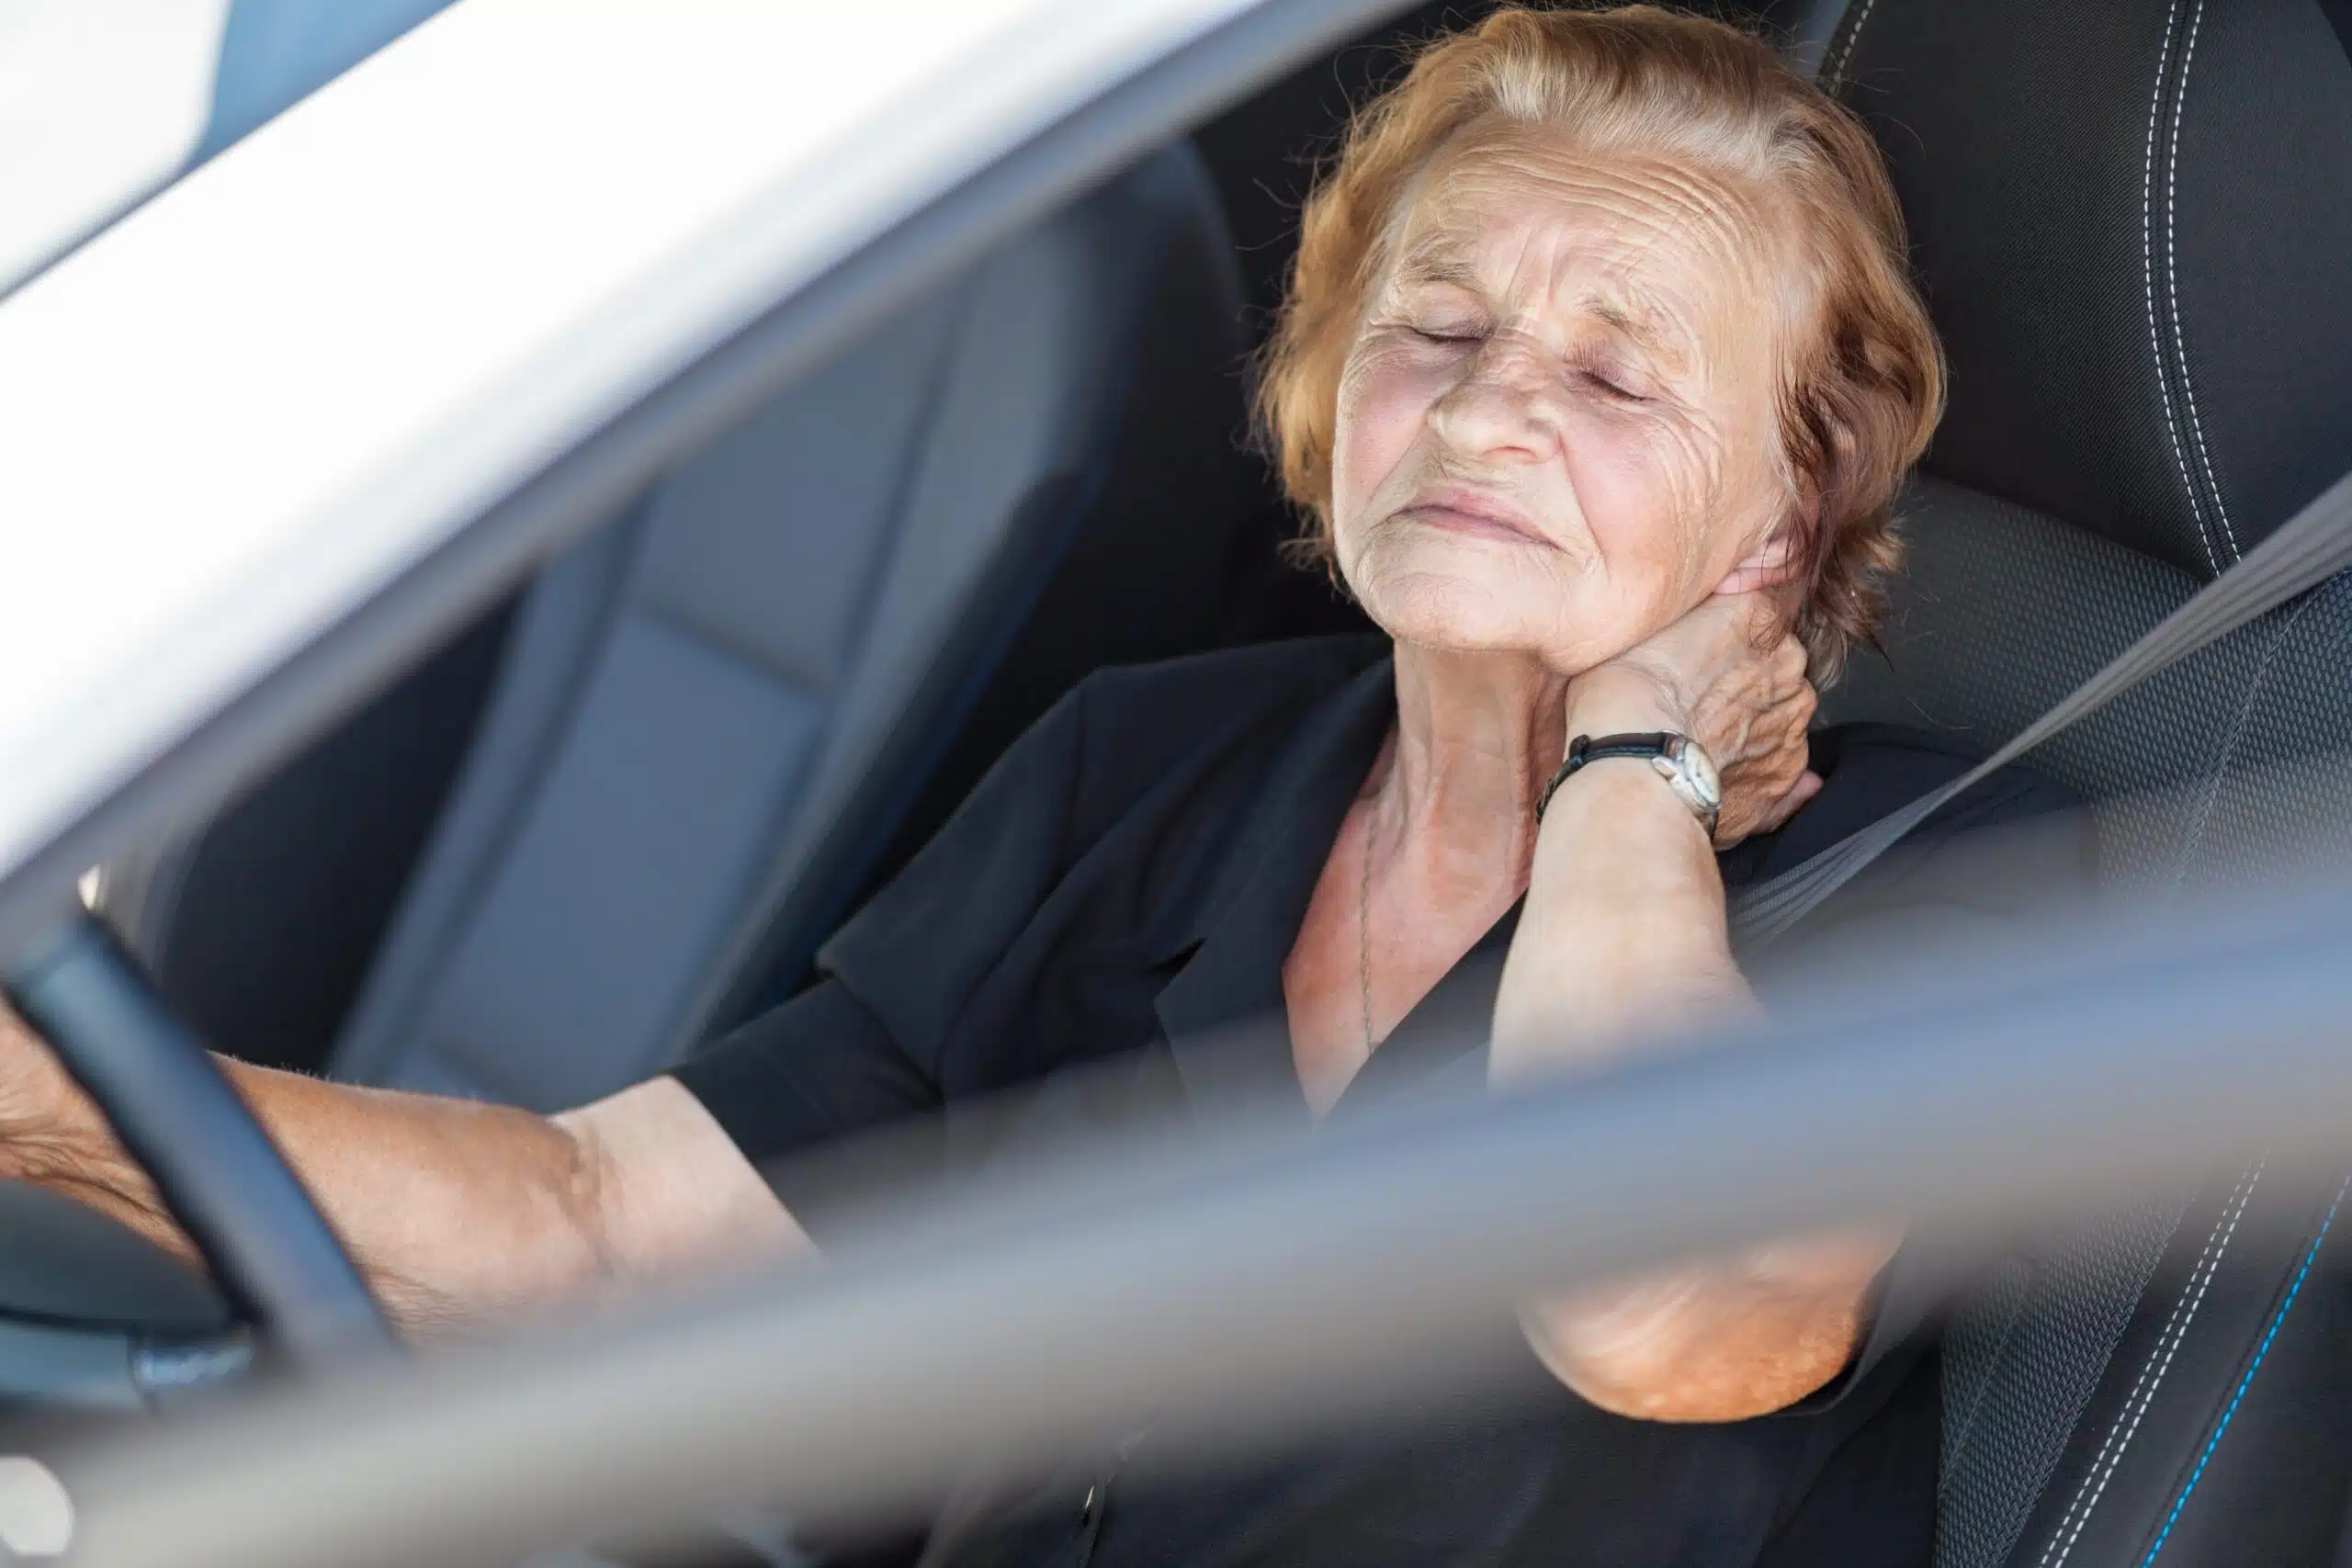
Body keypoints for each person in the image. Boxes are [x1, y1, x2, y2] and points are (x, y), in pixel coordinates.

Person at [0, 6, 2082, 1565]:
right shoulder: (1146, 764)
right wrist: (52, 1104)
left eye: (1618, 375)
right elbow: (609, 1224)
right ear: (1323, 397)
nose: (1487, 407)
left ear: (1785, 515)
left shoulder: (1941, 870)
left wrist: (1634, 763)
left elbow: (1657, 1306)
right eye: (1428, 327)